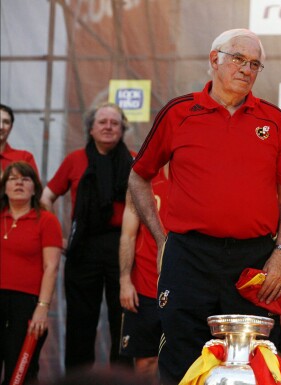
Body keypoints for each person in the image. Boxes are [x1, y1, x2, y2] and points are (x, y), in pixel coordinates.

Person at [128, 28, 281, 385]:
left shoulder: (273, 120)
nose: (246, 69)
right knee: (182, 358)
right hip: (188, 256)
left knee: (251, 362)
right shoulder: (178, 112)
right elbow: (138, 177)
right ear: (214, 59)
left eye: (255, 64)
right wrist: (163, 240)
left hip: (253, 260)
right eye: (238, 59)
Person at [40, 102, 134, 370]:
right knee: (81, 321)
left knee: (123, 319)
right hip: (83, 247)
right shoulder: (74, 160)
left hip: (123, 247)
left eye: (114, 123)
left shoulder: (134, 160)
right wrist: (57, 237)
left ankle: (122, 379)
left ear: (122, 129)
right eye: (102, 122)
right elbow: (46, 198)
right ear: (91, 129)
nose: (108, 127)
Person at [0, 161, 62, 384]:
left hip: (27, 305)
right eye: (13, 178)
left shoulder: (47, 221)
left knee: (20, 374)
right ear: (4, 187)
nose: (19, 183)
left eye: (25, 179)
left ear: (34, 188)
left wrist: (42, 308)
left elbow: (51, 267)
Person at [119, 165, 169, 380]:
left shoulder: (197, 177)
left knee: (184, 359)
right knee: (145, 362)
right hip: (145, 285)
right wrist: (124, 280)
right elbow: (128, 235)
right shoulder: (143, 178)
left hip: (184, 285)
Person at [0, 104, 39, 178]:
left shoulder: (24, 158)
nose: (1, 127)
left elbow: (35, 188)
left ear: (11, 128)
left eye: (6, 122)